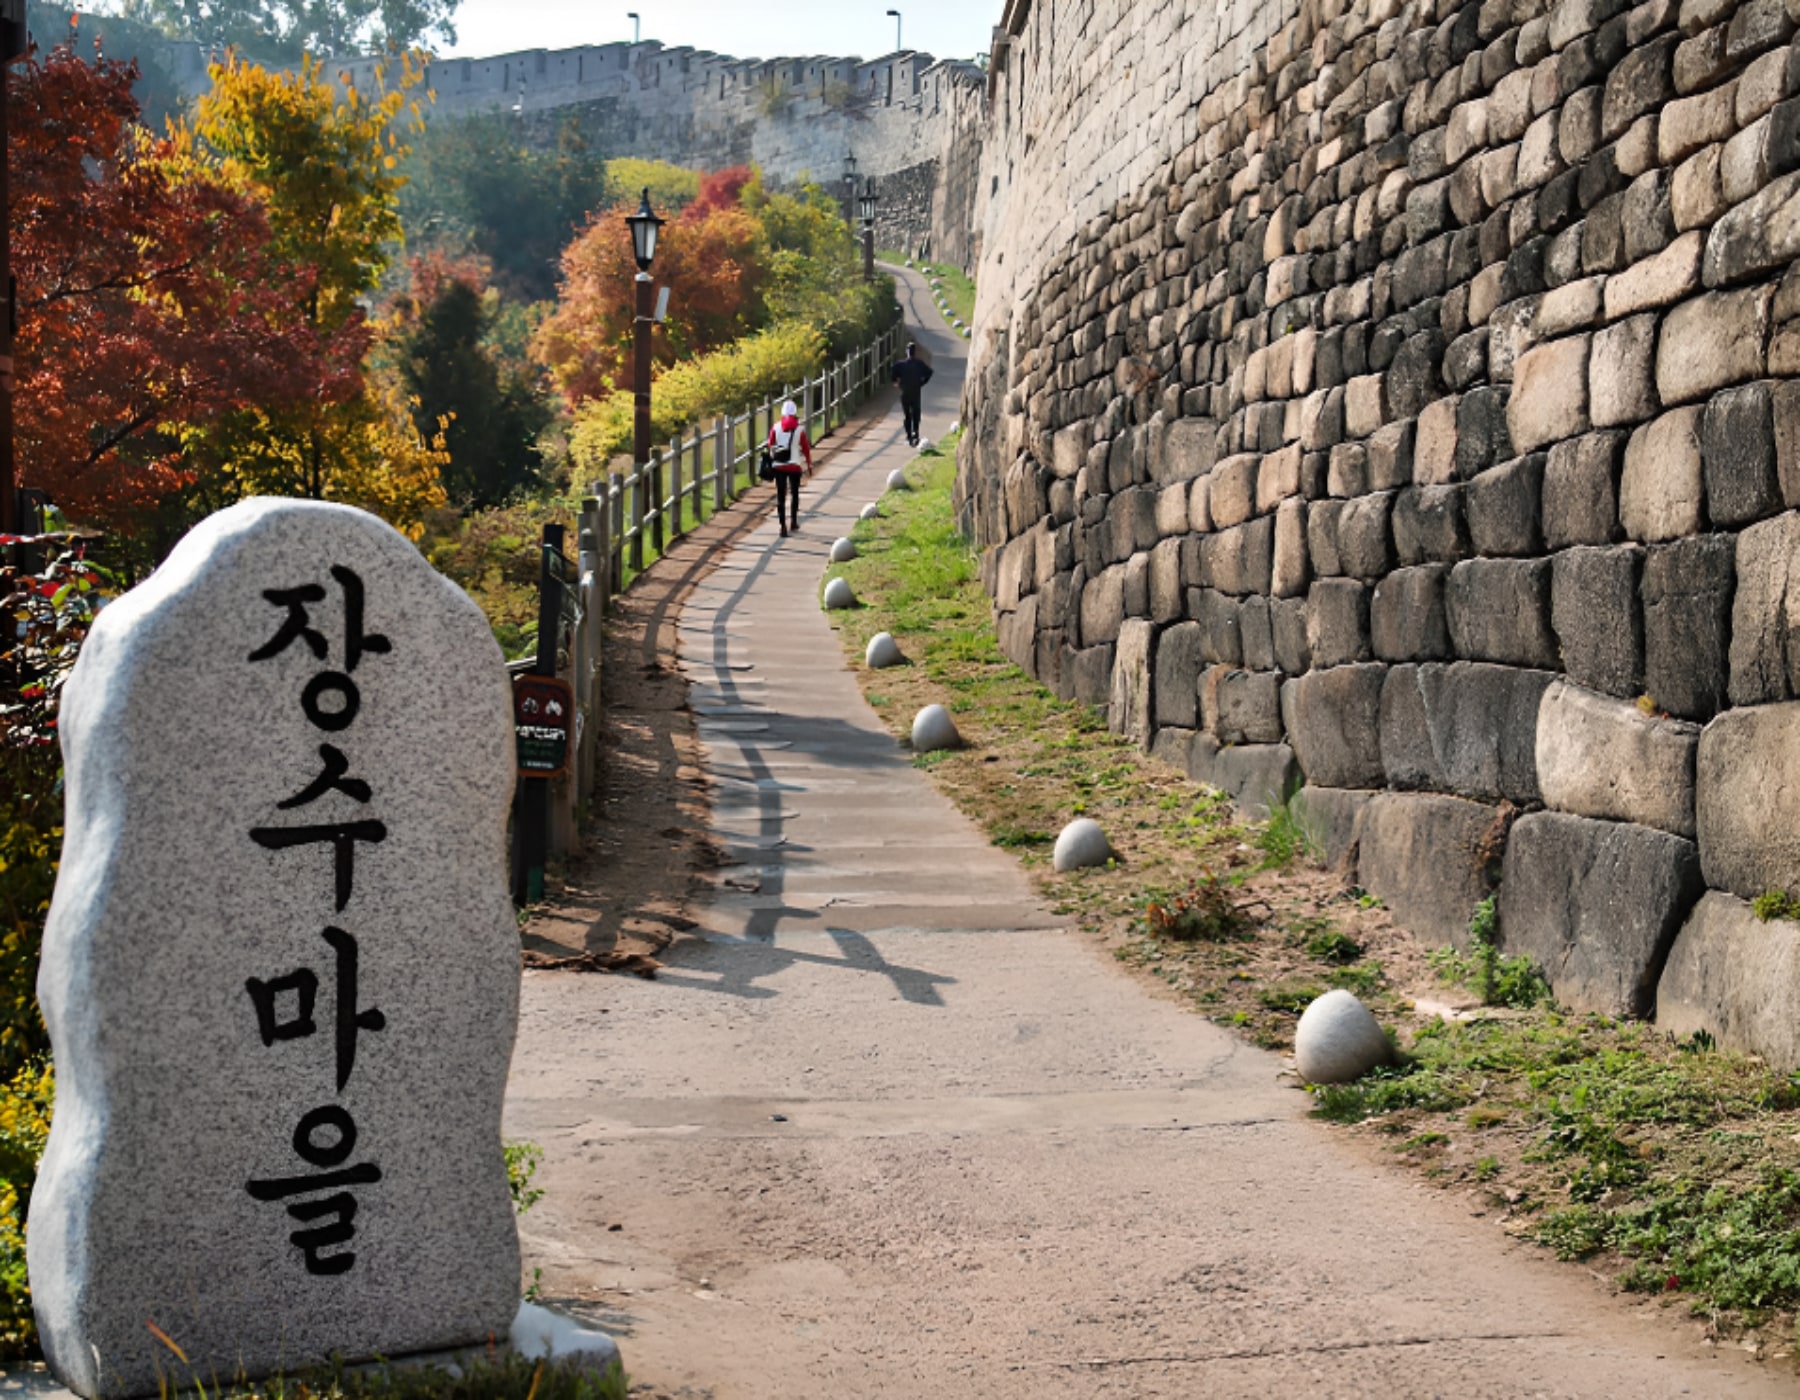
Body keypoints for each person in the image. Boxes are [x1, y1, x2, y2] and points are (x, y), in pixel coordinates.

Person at [766, 398, 813, 536]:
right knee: (795, 494)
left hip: (779, 466)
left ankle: (782, 526)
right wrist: (809, 464)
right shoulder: (800, 429)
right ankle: (793, 521)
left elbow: (770, 444)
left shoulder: (775, 427)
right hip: (794, 465)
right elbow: (805, 448)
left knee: (781, 496)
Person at [891, 342, 934, 447]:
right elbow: (929, 373)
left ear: (907, 352)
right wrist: (922, 383)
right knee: (916, 412)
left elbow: (892, 372)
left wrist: (896, 382)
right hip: (915, 391)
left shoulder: (900, 365)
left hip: (905, 391)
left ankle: (909, 435)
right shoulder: (919, 364)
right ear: (915, 352)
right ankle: (915, 432)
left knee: (907, 414)